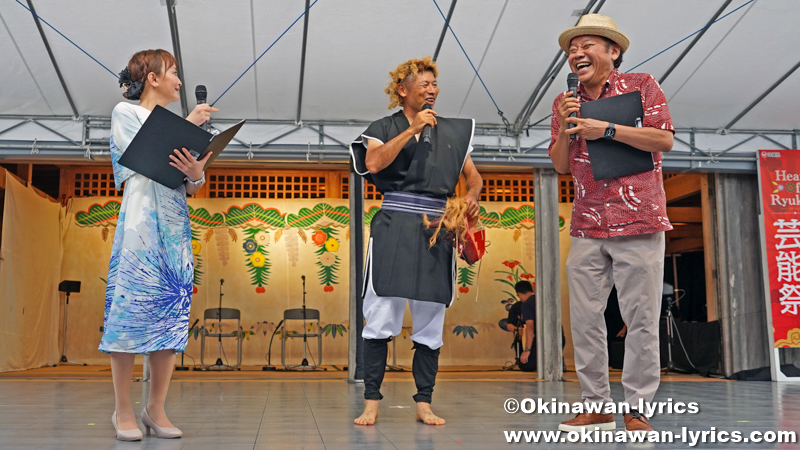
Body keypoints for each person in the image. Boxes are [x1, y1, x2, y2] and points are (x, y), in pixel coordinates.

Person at [548, 15, 674, 434]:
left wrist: (606, 129)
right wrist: (568, 126)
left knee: (640, 318)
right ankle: (596, 406)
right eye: (572, 48)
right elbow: (562, 166)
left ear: (613, 51)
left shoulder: (642, 86)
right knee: (584, 318)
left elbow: (663, 140)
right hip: (587, 224)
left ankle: (637, 410)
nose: (576, 53)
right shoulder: (564, 100)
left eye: (587, 45)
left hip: (638, 219)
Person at [349, 57, 483, 426]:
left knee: (430, 319)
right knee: (379, 317)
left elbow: (474, 178)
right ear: (403, 90)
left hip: (436, 227)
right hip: (393, 225)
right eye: (423, 85)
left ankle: (424, 402)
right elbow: (374, 163)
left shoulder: (452, 132)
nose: (432, 90)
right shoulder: (383, 127)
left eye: (434, 85)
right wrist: (412, 130)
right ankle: (372, 400)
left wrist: (470, 198)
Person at [100, 49, 217, 441]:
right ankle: (122, 411)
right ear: (152, 78)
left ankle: (155, 409)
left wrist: (196, 172)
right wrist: (187, 126)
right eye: (173, 73)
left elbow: (184, 181)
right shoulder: (125, 113)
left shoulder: (167, 121)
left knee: (169, 317)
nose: (179, 82)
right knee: (129, 317)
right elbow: (143, 159)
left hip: (174, 226)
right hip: (139, 228)